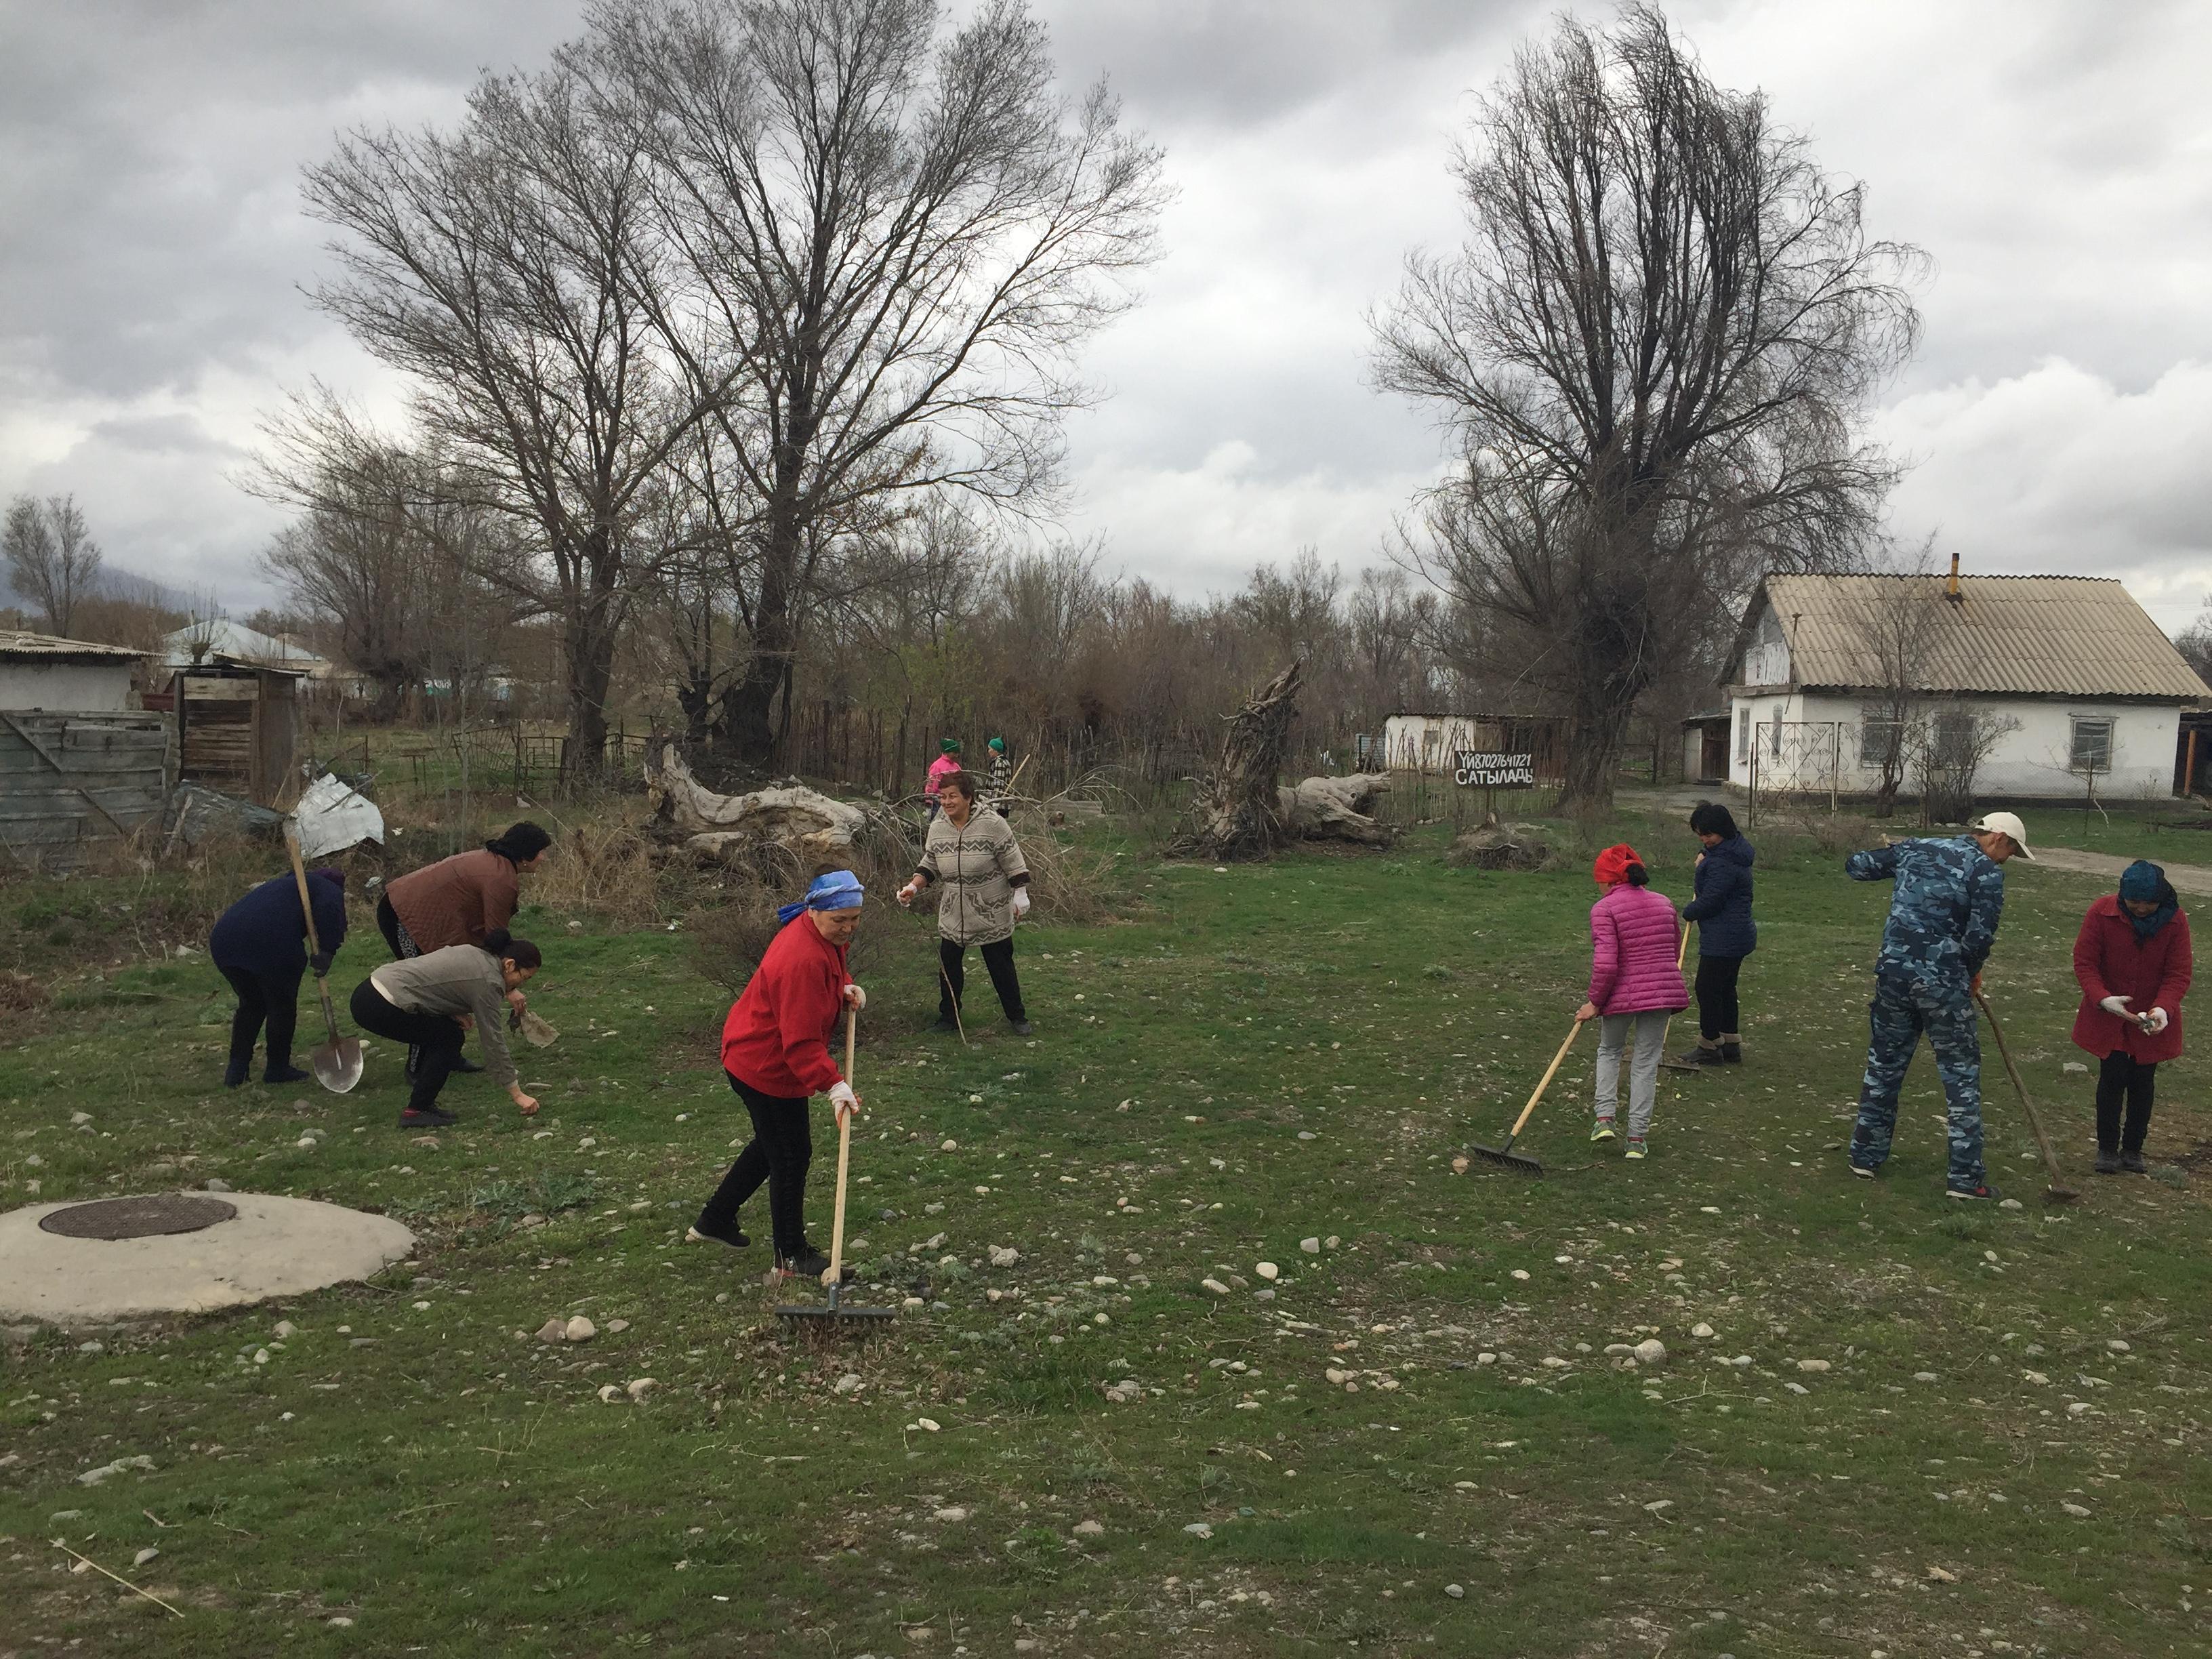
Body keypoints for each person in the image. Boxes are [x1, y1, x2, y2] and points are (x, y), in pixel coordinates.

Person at [1843, 810, 2031, 1200]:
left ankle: (1865, 1155)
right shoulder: (1986, 873)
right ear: (1999, 838)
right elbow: (1980, 937)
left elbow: (1857, 866)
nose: (2007, 860)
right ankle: (1965, 1179)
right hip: (1943, 984)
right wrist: (1971, 974)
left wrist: (1895, 857)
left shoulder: (1918, 847)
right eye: (2011, 852)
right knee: (1960, 1075)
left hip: (1893, 974)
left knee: (1884, 1065)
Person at [689, 870, 867, 1277]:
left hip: (759, 1055)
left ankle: (714, 1220)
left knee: (772, 1145)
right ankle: (791, 1255)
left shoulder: (819, 933)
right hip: (766, 1064)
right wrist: (834, 1084)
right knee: (790, 1154)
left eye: (855, 918)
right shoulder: (801, 957)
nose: (848, 927)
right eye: (840, 920)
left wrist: (843, 986)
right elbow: (801, 1043)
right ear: (816, 911)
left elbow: (832, 966)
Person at [378, 821, 552, 1074]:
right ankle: (418, 1067)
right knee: (427, 990)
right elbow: (497, 939)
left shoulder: (498, 865)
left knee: (453, 982)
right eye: (541, 852)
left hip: (417, 913)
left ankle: (448, 1055)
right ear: (525, 856)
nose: (544, 858)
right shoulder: (500, 879)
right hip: (404, 916)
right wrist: (508, 987)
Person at [347, 928, 541, 1128]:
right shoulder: (488, 982)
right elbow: (493, 1040)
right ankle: (416, 1110)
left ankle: (423, 1100)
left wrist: (450, 1012)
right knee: (449, 1038)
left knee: (445, 1031)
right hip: (378, 1006)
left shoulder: (476, 954)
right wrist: (517, 1094)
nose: (523, 985)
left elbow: (437, 983)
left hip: (369, 989)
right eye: (524, 978)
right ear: (509, 965)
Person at [2071, 859, 2191, 1174]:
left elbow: (2178, 974)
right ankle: (2107, 1149)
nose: (2140, 909)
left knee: (2143, 1082)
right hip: (2110, 1015)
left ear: (2162, 898)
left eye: (2149, 903)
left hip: (2151, 1020)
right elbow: (2085, 963)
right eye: (2134, 901)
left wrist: (2164, 1007)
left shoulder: (2175, 921)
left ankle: (2134, 1149)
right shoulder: (2101, 912)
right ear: (2122, 895)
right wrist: (2102, 999)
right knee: (2111, 1079)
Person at [898, 771, 1033, 1037]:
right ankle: (949, 1016)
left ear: (968, 798)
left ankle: (1017, 1016)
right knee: (948, 965)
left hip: (990, 909)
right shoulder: (938, 828)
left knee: (1000, 965)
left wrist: (1021, 894)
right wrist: (913, 887)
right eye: (942, 797)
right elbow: (930, 863)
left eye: (953, 797)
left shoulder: (993, 825)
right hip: (953, 912)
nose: (947, 802)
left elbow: (1013, 861)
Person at [1574, 844, 1687, 1160]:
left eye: (1598, 880)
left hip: (1621, 997)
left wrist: (1595, 1002)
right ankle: (1637, 1139)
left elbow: (1607, 964)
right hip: (1663, 993)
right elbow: (1674, 950)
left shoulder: (1604, 909)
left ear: (1610, 881)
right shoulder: (1664, 904)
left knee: (1609, 1051)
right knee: (1646, 1062)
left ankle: (1604, 1119)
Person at [209, 865, 348, 1086]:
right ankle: (277, 1067)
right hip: (272, 941)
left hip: (224, 940)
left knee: (252, 1004)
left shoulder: (282, 885)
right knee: (281, 1006)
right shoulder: (327, 888)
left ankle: (236, 1070)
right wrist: (328, 950)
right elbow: (330, 911)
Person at [1676, 801, 1756, 1065]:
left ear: (1723, 830)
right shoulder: (1733, 851)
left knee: (1707, 988)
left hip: (1724, 937)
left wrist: (1689, 911)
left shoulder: (1724, 863)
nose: (1704, 840)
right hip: (1736, 933)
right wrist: (1706, 856)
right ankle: (1730, 1042)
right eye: (1700, 834)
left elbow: (1712, 900)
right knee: (1725, 987)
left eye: (1708, 835)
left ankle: (1709, 1045)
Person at [924, 740, 964, 817]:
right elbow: (932, 786)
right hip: (939, 802)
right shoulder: (937, 766)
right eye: (955, 753)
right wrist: (929, 802)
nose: (957, 755)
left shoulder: (956, 767)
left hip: (955, 801)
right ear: (948, 752)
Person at [985, 736, 1013, 811]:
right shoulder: (1004, 761)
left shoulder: (999, 762)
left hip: (1000, 804)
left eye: (990, 749)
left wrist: (996, 802)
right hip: (999, 802)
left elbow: (999, 782)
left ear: (996, 751)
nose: (989, 751)